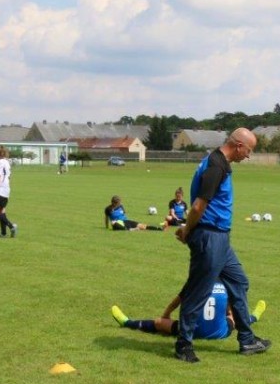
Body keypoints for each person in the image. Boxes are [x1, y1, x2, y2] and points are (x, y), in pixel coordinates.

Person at [173, 128, 270, 363]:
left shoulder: (220, 163)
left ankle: (247, 340)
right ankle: (183, 344)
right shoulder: (216, 166)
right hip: (209, 237)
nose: (248, 156)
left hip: (220, 239)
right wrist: (187, 231)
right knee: (199, 291)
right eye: (249, 150)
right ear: (238, 146)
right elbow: (197, 207)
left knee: (239, 282)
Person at [111, 282, 266, 339]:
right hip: (221, 333)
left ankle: (127, 322)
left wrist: (165, 316)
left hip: (191, 332)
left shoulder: (195, 282)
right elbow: (229, 311)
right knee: (234, 318)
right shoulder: (226, 285)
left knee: (158, 323)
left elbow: (175, 303)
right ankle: (254, 317)